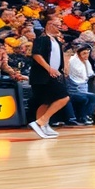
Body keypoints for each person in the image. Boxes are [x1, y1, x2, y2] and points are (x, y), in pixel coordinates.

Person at [28, 8, 71, 139]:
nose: (60, 27)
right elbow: (36, 55)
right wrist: (49, 68)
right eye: (57, 25)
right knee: (64, 97)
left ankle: (43, 126)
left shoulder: (56, 40)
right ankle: (40, 122)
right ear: (49, 25)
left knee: (46, 102)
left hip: (53, 75)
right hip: (43, 75)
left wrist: (62, 68)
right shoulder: (42, 39)